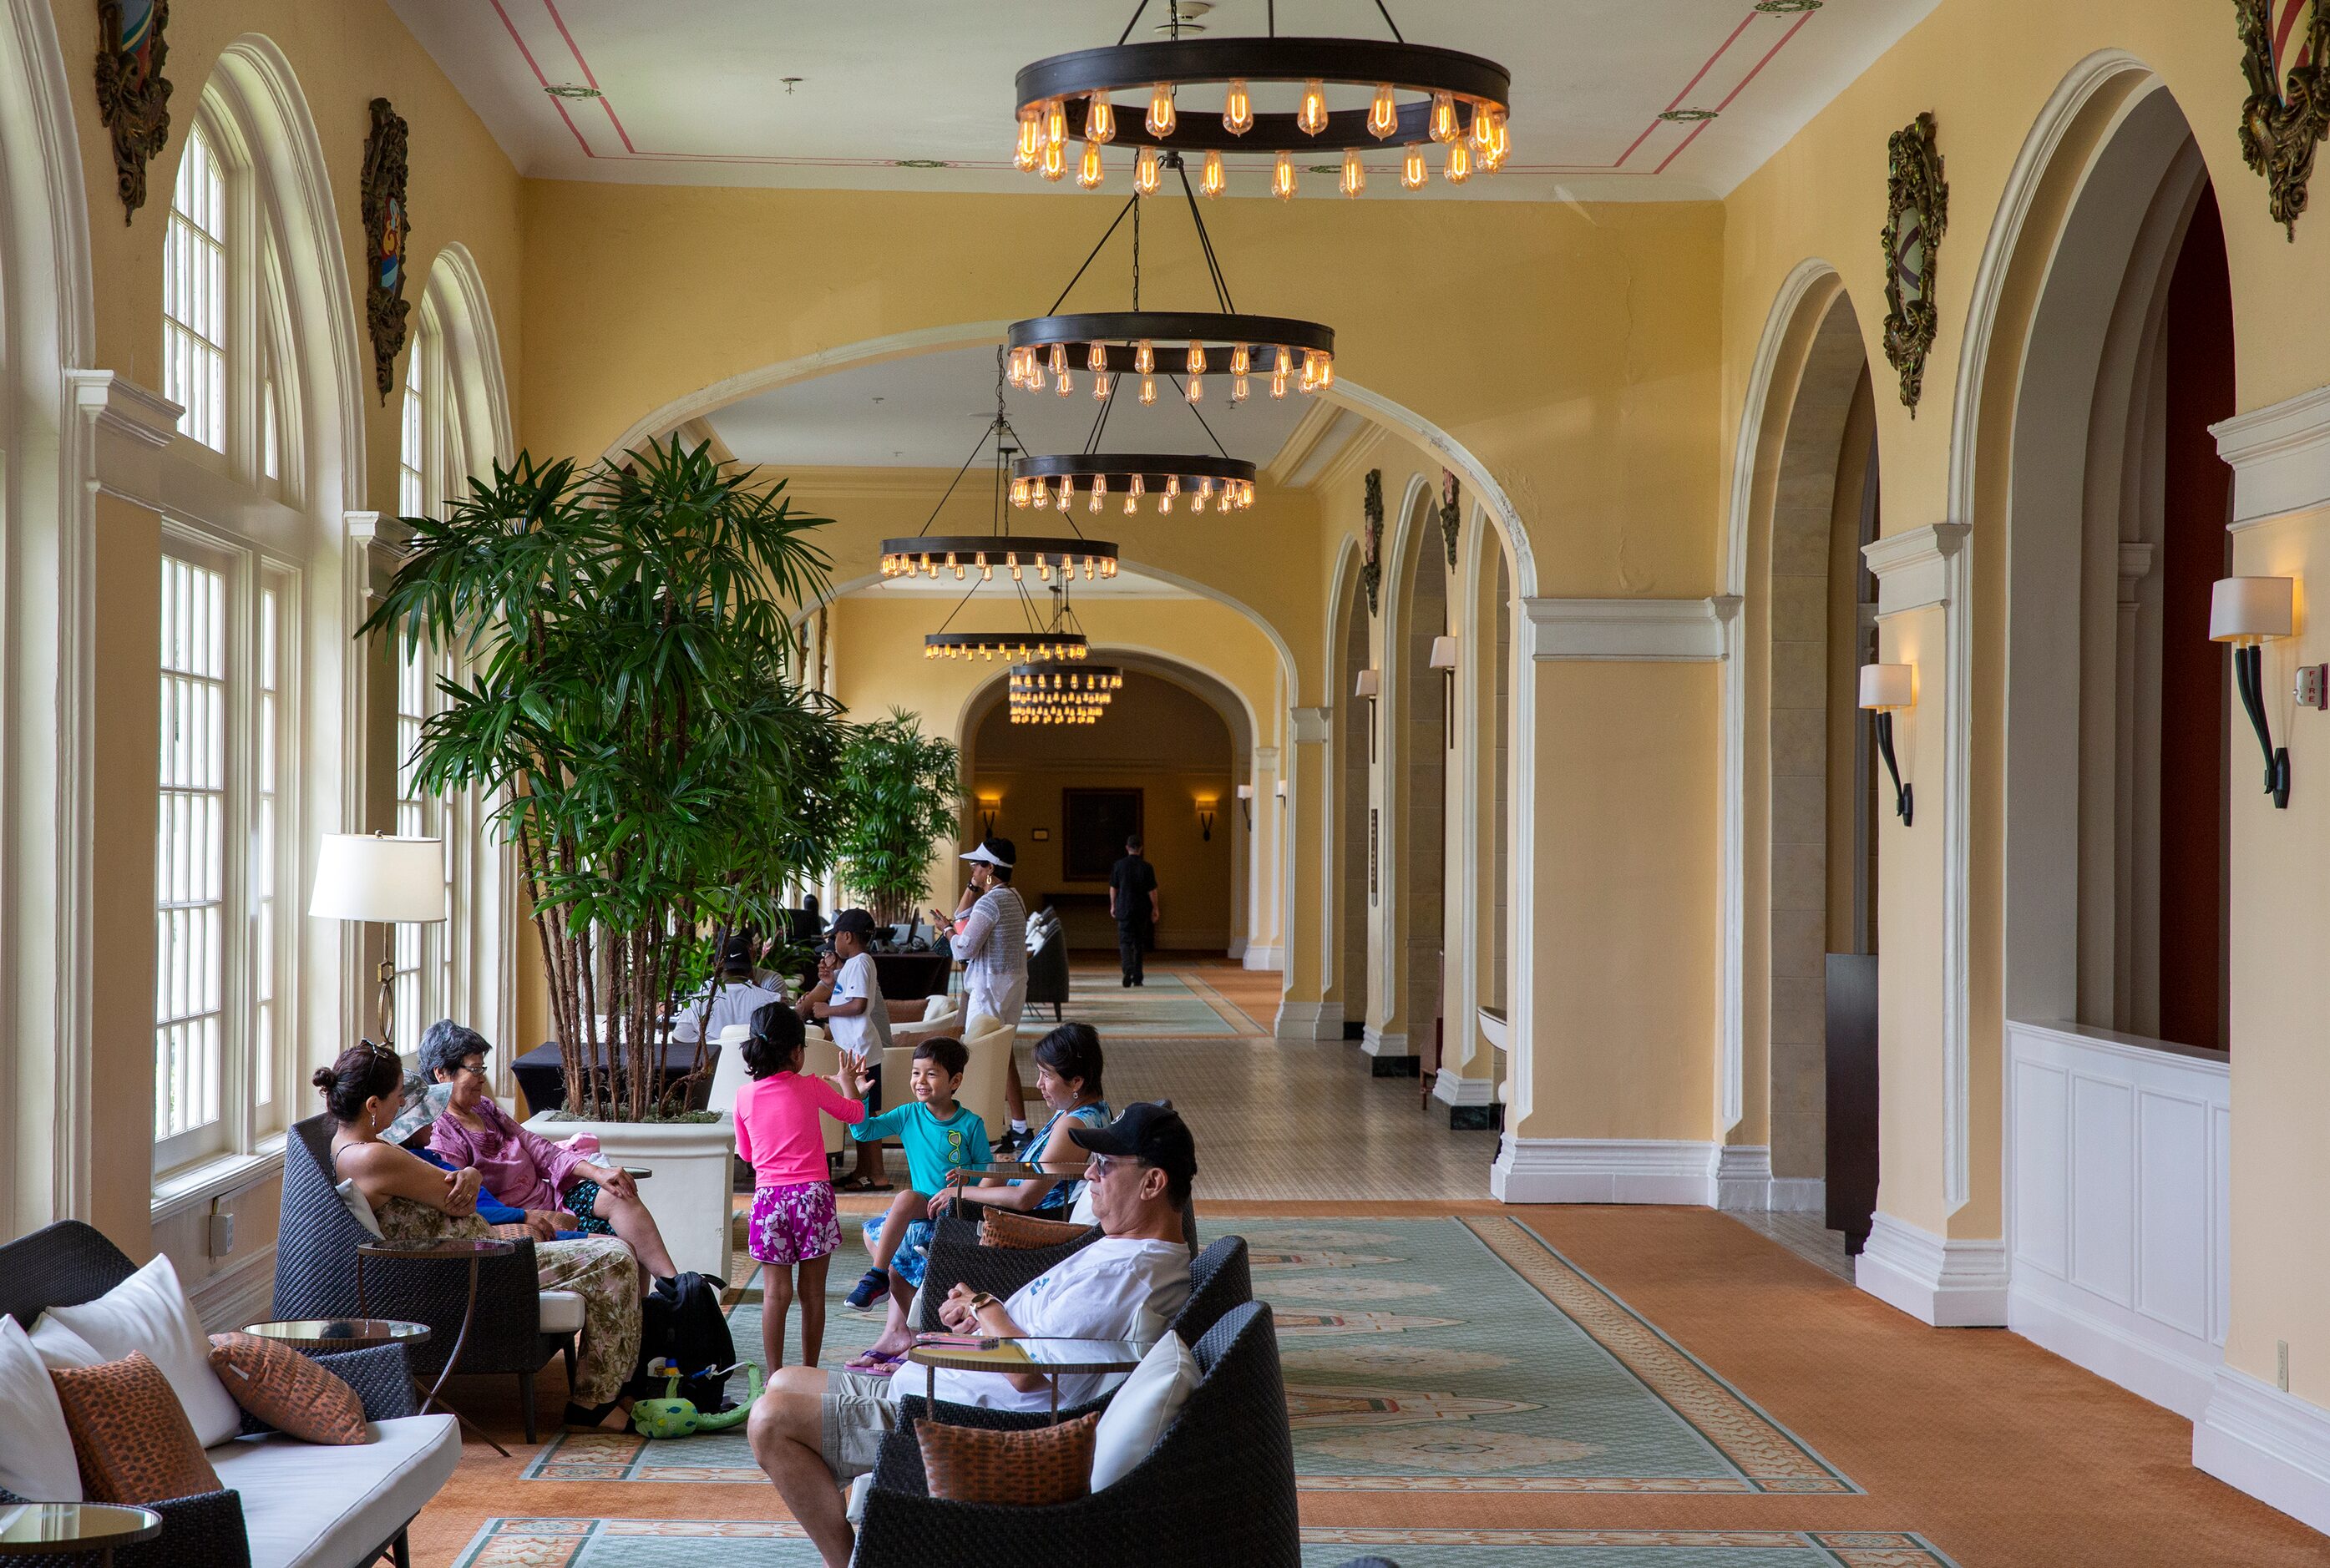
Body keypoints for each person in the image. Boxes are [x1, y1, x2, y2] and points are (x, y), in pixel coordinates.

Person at [747, 1101, 1198, 1568]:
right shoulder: (1123, 1246)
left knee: (770, 1422)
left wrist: (984, 1306)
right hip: (946, 1381)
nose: (1088, 1175)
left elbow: (1026, 1375)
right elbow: (1035, 1340)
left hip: (965, 1420)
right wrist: (980, 1316)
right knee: (784, 1383)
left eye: (1104, 1166)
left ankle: (845, 1561)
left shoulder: (1130, 1272)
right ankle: (873, 1539)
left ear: (1152, 1183)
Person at [317, 1042, 646, 1428]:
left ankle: (612, 1388)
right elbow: (462, 1200)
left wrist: (468, 1177)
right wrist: (471, 1175)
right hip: (471, 1267)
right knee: (615, 1257)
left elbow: (453, 1189)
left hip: (473, 1254)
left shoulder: (359, 1146)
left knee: (611, 1251)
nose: (403, 1104)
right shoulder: (374, 1156)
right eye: (398, 1096)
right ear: (372, 1105)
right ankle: (596, 1404)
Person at [421, 1019, 681, 1281]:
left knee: (618, 1191)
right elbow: (466, 1201)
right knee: (626, 1249)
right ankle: (671, 1302)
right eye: (474, 1069)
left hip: (553, 1199)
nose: (481, 1078)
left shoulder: (483, 1108)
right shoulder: (442, 1134)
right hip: (529, 1221)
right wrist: (523, 1216)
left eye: (482, 1068)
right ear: (441, 1073)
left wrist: (597, 1172)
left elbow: (537, 1147)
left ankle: (675, 1286)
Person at [733, 1001, 864, 1373]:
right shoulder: (810, 1087)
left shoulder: (744, 1096)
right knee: (813, 1294)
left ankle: (775, 1378)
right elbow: (855, 1114)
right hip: (813, 1197)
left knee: (776, 1294)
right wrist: (849, 1084)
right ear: (796, 1051)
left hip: (768, 1200)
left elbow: (748, 1155)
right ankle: (808, 1371)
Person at [837, 1038, 989, 1334]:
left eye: (931, 1073)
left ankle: (876, 1278)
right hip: (923, 1208)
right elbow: (863, 1130)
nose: (920, 1080)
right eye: (916, 1072)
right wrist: (855, 1093)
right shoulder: (909, 1114)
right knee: (875, 1235)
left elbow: (988, 1172)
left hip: (957, 1207)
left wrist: (967, 1177)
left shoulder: (971, 1124)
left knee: (903, 1202)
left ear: (955, 1080)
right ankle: (913, 1328)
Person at [956, 1022, 1111, 1217]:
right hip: (1011, 1206)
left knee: (921, 1209)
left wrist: (961, 1193)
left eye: (1046, 1075)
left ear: (1076, 1082)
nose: (1039, 1084)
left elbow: (1024, 1199)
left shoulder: (1073, 1126)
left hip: (1025, 1221)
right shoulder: (1088, 1109)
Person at [795, 908, 894, 1191]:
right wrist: (829, 982)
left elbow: (859, 1004)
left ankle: (878, 1174)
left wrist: (827, 1009)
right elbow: (846, 992)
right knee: (859, 1111)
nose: (834, 942)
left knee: (869, 1113)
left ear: (847, 936)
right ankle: (862, 1170)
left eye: (836, 936)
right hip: (854, 1051)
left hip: (862, 1051)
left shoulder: (862, 962)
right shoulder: (853, 964)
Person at [950, 837, 1031, 1144]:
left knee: (981, 1056)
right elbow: (963, 921)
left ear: (991, 869)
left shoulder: (990, 902)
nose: (973, 867)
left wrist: (947, 933)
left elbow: (964, 948)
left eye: (978, 864)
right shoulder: (1015, 896)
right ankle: (1020, 1126)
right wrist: (972, 887)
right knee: (1003, 1053)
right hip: (1013, 983)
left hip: (989, 988)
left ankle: (987, 1131)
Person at [671, 929, 790, 1045]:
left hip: (712, 1064)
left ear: (714, 966)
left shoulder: (697, 1002)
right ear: (750, 964)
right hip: (756, 1063)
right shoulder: (772, 1000)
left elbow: (679, 1040)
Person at [1109, 833, 1161, 988]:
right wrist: (1155, 908)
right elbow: (1152, 890)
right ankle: (1137, 977)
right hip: (1141, 909)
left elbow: (1113, 887)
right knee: (1139, 943)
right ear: (1141, 849)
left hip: (1124, 907)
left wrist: (1113, 905)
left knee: (1124, 942)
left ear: (1127, 848)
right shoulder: (1147, 867)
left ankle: (1127, 968)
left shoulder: (1119, 865)